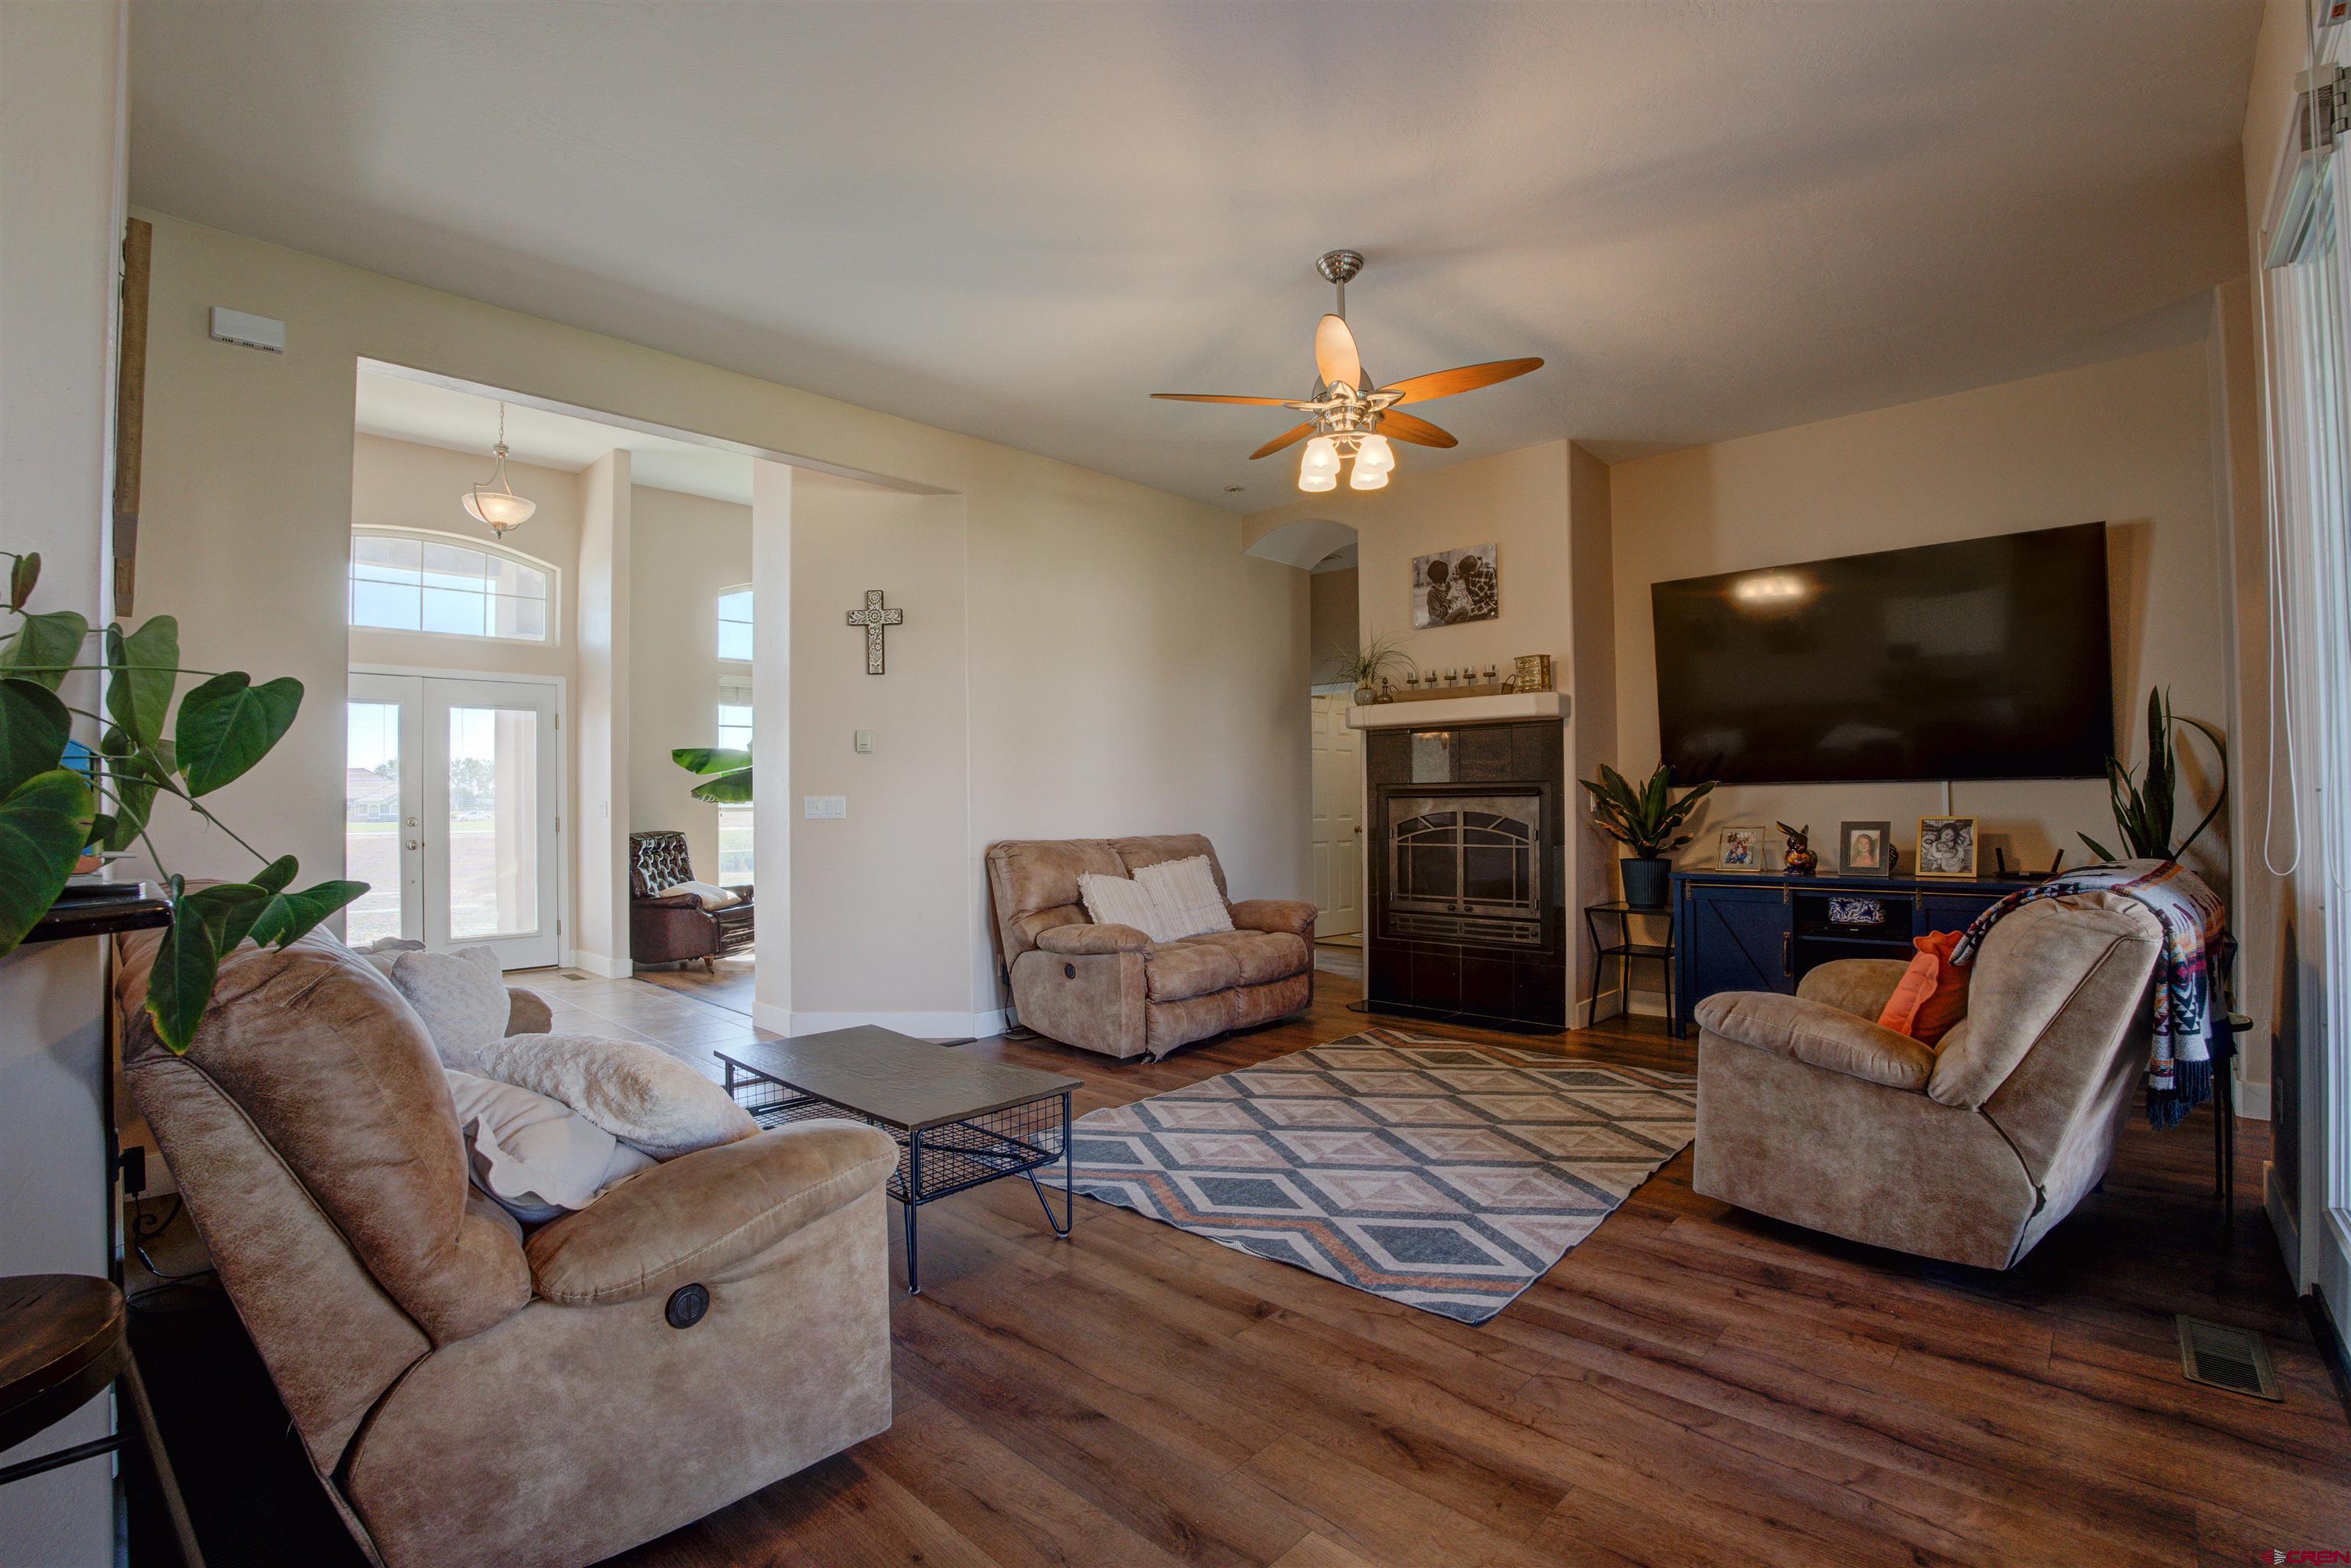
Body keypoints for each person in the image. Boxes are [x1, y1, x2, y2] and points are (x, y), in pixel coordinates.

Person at [1421, 556, 1462, 626]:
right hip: (1439, 623)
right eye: (1433, 580)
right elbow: (1437, 617)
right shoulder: (1432, 593)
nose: (1435, 583)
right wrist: (1448, 598)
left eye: (1438, 581)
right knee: (1465, 610)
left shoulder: (1449, 584)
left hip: (1451, 618)